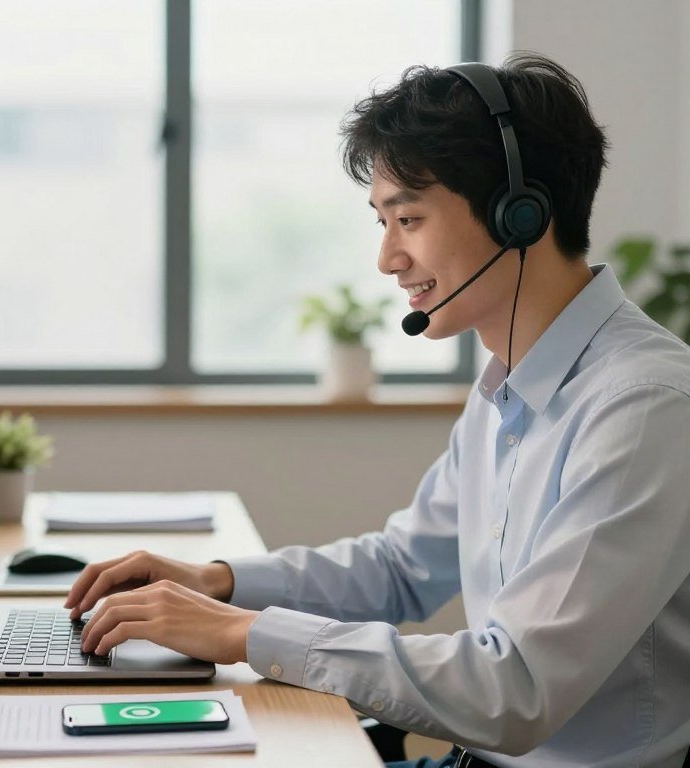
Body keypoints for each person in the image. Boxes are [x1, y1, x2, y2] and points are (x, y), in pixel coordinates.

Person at [64, 53, 690, 767]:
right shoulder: (510, 383)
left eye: (409, 219)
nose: (388, 259)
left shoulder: (642, 409)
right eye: (382, 221)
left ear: (521, 217)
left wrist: (243, 632)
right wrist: (217, 582)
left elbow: (515, 688)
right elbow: (401, 567)